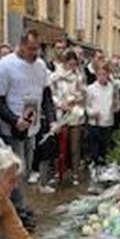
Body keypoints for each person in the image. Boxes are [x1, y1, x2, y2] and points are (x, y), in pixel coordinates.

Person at [0, 29, 49, 230]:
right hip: (12, 128)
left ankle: (12, 208)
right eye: (32, 49)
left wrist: (50, 117)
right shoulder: (5, 65)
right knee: (15, 171)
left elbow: (45, 92)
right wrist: (14, 120)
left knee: (25, 171)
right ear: (21, 46)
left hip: (32, 127)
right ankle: (18, 210)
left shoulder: (40, 66)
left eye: (38, 49)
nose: (36, 53)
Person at [50, 50, 86, 186]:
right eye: (70, 64)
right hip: (60, 114)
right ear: (65, 63)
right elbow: (51, 94)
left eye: (74, 64)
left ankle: (75, 173)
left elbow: (83, 93)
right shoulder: (56, 76)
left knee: (75, 146)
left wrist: (75, 100)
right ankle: (58, 173)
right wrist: (60, 104)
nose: (72, 67)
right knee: (59, 146)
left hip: (75, 114)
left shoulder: (79, 76)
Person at [86, 63, 119, 167]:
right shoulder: (91, 88)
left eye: (104, 74)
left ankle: (103, 168)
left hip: (108, 122)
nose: (102, 77)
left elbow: (116, 105)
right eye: (99, 74)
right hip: (95, 122)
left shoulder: (112, 88)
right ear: (96, 75)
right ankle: (94, 167)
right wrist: (92, 113)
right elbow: (86, 106)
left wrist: (115, 106)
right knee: (94, 148)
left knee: (105, 148)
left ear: (108, 74)